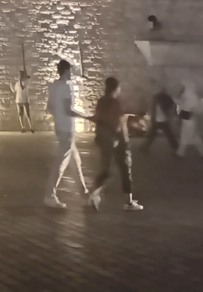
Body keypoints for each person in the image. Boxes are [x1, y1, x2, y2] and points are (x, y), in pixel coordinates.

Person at [87, 77, 143, 211]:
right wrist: (119, 138)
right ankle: (128, 202)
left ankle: (94, 194)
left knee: (106, 168)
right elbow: (118, 123)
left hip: (104, 139)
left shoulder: (102, 101)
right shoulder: (115, 102)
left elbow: (99, 118)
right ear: (116, 88)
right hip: (118, 140)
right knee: (125, 169)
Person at [44, 59, 90, 209]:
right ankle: (50, 196)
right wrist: (87, 117)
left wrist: (58, 118)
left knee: (75, 162)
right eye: (70, 70)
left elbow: (50, 107)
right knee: (61, 163)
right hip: (67, 129)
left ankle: (85, 195)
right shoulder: (66, 87)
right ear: (66, 71)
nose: (71, 73)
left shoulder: (53, 86)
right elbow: (68, 110)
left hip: (59, 128)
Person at [176, 84, 203, 157]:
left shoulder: (191, 97)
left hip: (189, 120)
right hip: (188, 119)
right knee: (193, 137)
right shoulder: (188, 97)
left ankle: (180, 153)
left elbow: (194, 109)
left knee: (186, 137)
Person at [144, 88, 178, 152]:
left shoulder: (156, 99)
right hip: (163, 119)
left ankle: (145, 148)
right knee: (169, 134)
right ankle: (176, 147)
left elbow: (154, 110)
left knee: (153, 134)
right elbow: (172, 106)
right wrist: (170, 115)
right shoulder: (166, 99)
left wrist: (152, 118)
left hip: (158, 120)